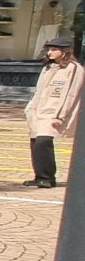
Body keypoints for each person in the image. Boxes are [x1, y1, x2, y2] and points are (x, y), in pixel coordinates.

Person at [24, 37, 83, 188]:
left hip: (54, 112)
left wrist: (60, 116)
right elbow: (39, 91)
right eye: (49, 49)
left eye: (54, 49)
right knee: (35, 143)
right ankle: (39, 176)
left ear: (64, 51)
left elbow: (71, 94)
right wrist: (30, 108)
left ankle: (47, 177)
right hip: (38, 111)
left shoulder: (74, 68)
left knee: (43, 141)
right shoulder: (48, 68)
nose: (50, 52)